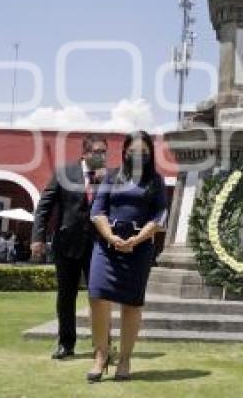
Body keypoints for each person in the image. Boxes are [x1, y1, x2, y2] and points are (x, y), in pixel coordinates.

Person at [86, 130, 167, 383]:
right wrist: (110, 237)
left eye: (143, 152)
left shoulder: (156, 181)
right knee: (97, 297)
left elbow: (160, 215)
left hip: (139, 246)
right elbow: (98, 211)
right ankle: (101, 355)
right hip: (106, 246)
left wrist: (137, 239)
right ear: (125, 152)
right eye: (133, 152)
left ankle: (125, 359)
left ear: (150, 154)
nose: (138, 156)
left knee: (132, 305)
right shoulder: (111, 177)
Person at [31, 133, 110, 361]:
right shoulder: (64, 173)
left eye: (104, 152)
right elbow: (44, 206)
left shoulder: (109, 177)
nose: (102, 156)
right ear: (85, 153)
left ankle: (103, 346)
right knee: (66, 296)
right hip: (67, 245)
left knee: (100, 297)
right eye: (97, 151)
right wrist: (38, 238)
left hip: (98, 246)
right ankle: (66, 343)